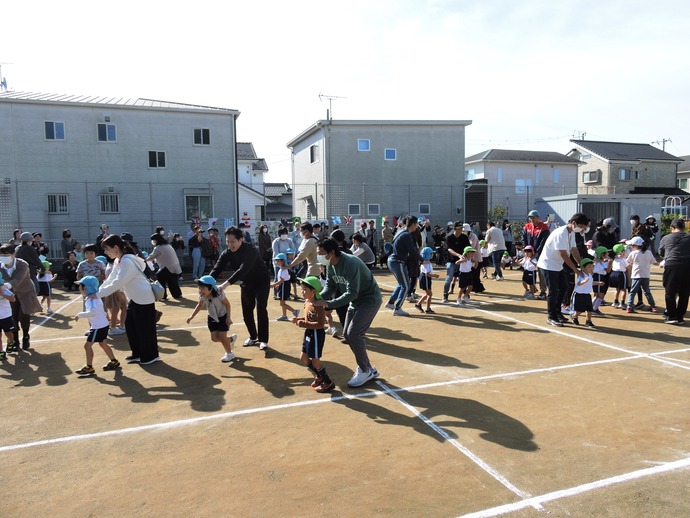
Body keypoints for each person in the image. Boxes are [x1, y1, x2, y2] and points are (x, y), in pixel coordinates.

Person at [315, 237, 382, 387]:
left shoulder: (350, 263)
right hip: (356, 301)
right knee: (347, 334)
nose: (318, 256)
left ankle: (365, 370)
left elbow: (352, 293)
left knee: (354, 334)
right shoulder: (330, 265)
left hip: (369, 300)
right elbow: (331, 287)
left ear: (331, 252)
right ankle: (368, 368)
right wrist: (317, 298)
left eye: (321, 253)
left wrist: (328, 304)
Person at [96, 234, 160, 365]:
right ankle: (137, 353)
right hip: (134, 298)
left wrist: (97, 295)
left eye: (106, 249)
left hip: (143, 297)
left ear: (115, 248)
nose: (105, 253)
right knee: (131, 326)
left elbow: (118, 282)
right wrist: (97, 291)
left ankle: (150, 356)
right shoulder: (118, 260)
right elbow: (111, 279)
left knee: (145, 329)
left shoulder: (127, 261)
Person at [210, 226, 271, 350]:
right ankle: (253, 337)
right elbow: (217, 268)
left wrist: (226, 284)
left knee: (261, 309)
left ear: (240, 240)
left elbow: (243, 269)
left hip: (261, 281)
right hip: (247, 283)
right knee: (247, 311)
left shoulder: (251, 250)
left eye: (232, 241)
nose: (230, 244)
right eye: (227, 241)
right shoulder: (227, 253)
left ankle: (263, 340)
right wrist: (206, 283)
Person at [537, 213, 589, 327]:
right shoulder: (561, 233)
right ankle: (551, 317)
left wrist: (582, 264)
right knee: (553, 291)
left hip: (557, 265)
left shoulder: (571, 233)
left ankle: (557, 312)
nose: (583, 229)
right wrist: (576, 270)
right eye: (582, 226)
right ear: (574, 223)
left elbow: (574, 249)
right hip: (547, 265)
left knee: (564, 287)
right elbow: (564, 255)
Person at [292, 276, 334, 393]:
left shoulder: (318, 305)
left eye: (305, 290)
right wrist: (299, 319)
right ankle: (319, 375)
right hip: (309, 332)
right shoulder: (307, 302)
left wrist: (302, 323)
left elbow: (320, 324)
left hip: (316, 334)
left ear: (314, 291)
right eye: (302, 289)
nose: (302, 292)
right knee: (303, 358)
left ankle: (328, 382)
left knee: (316, 361)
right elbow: (308, 318)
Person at [73, 276, 121, 376]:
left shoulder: (91, 300)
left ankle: (89, 367)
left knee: (87, 346)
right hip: (102, 325)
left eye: (80, 286)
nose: (79, 288)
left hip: (98, 327)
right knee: (103, 344)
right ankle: (114, 361)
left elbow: (93, 312)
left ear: (85, 288)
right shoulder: (94, 298)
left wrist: (79, 315)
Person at [0, 244, 43, 350]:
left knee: (24, 315)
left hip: (26, 292)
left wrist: (5, 286)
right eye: (1, 255)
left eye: (6, 255)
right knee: (13, 317)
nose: (3, 257)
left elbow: (19, 279)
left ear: (13, 254)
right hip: (11, 294)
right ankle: (15, 341)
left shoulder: (22, 264)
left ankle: (25, 336)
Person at [186, 275, 237, 363]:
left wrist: (228, 318)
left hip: (223, 316)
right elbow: (200, 305)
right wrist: (192, 316)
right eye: (199, 288)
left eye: (203, 288)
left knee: (222, 337)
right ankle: (230, 340)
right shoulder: (203, 296)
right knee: (214, 339)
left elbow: (227, 304)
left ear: (211, 288)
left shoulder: (219, 294)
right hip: (212, 317)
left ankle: (229, 354)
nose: (200, 290)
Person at [385, 216, 420, 316]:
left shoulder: (401, 231)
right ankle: (397, 308)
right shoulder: (406, 235)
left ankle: (391, 303)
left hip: (393, 261)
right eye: (417, 224)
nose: (417, 226)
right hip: (397, 262)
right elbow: (412, 251)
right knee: (406, 285)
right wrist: (423, 260)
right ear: (413, 224)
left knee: (401, 284)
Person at [658, 218, 690, 325]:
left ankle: (672, 316)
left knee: (670, 292)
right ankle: (680, 317)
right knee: (684, 293)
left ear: (671, 228)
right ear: (684, 227)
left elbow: (661, 252)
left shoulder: (666, 238)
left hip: (672, 265)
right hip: (687, 265)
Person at [624, 236, 658, 313]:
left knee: (632, 292)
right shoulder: (648, 252)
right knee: (647, 291)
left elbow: (628, 263)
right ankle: (653, 307)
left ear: (635, 246)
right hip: (646, 275)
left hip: (636, 275)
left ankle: (629, 306)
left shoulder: (633, 253)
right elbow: (654, 262)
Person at [522, 210, 551, 299]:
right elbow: (523, 239)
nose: (531, 219)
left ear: (538, 217)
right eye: (530, 218)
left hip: (540, 254)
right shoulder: (527, 226)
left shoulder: (544, 228)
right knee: (528, 271)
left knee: (541, 273)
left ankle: (543, 292)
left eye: (533, 218)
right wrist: (526, 251)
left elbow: (543, 242)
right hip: (529, 252)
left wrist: (536, 253)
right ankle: (531, 289)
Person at [442, 222, 471, 302]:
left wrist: (466, 257)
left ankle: (465, 295)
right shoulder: (449, 237)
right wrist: (458, 255)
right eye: (459, 228)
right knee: (449, 278)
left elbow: (468, 248)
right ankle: (445, 295)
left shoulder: (464, 237)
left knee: (464, 278)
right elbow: (449, 249)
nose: (461, 230)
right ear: (455, 229)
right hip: (451, 261)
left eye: (462, 228)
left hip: (462, 261)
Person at [148, 233, 183, 300]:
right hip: (175, 267)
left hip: (168, 267)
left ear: (156, 240)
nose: (153, 242)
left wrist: (143, 260)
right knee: (173, 282)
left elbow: (151, 257)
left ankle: (162, 295)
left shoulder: (158, 248)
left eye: (153, 240)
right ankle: (177, 294)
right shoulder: (168, 245)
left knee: (160, 279)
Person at [570, 258, 602, 328]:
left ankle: (588, 321)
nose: (591, 268)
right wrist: (584, 281)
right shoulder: (581, 275)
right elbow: (578, 283)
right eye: (589, 267)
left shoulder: (590, 275)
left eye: (592, 266)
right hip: (579, 295)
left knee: (589, 309)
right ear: (583, 268)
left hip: (587, 295)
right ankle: (574, 316)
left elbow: (590, 283)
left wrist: (598, 283)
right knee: (580, 310)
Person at [271, 253, 299, 321]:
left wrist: (273, 285)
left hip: (284, 286)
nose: (276, 262)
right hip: (283, 286)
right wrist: (278, 285)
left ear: (283, 261)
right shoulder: (282, 269)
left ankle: (294, 311)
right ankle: (284, 316)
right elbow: (281, 280)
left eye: (278, 260)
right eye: (276, 260)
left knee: (282, 303)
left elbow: (282, 280)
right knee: (282, 303)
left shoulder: (284, 270)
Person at [414, 247, 439, 313]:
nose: (432, 255)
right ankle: (428, 309)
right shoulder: (427, 263)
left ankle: (418, 304)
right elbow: (427, 274)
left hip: (424, 278)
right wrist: (434, 275)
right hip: (426, 278)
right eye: (431, 254)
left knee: (427, 293)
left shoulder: (425, 262)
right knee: (430, 294)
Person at [606, 244, 628, 315]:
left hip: (613, 273)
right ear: (622, 252)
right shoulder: (623, 259)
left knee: (617, 289)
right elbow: (628, 267)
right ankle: (622, 303)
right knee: (623, 289)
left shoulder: (614, 258)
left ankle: (615, 302)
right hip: (621, 274)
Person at [0, 278, 16, 361]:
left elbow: (13, 299)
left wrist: (3, 294)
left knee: (8, 333)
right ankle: (1, 352)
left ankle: (10, 341)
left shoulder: (4, 288)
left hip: (6, 316)